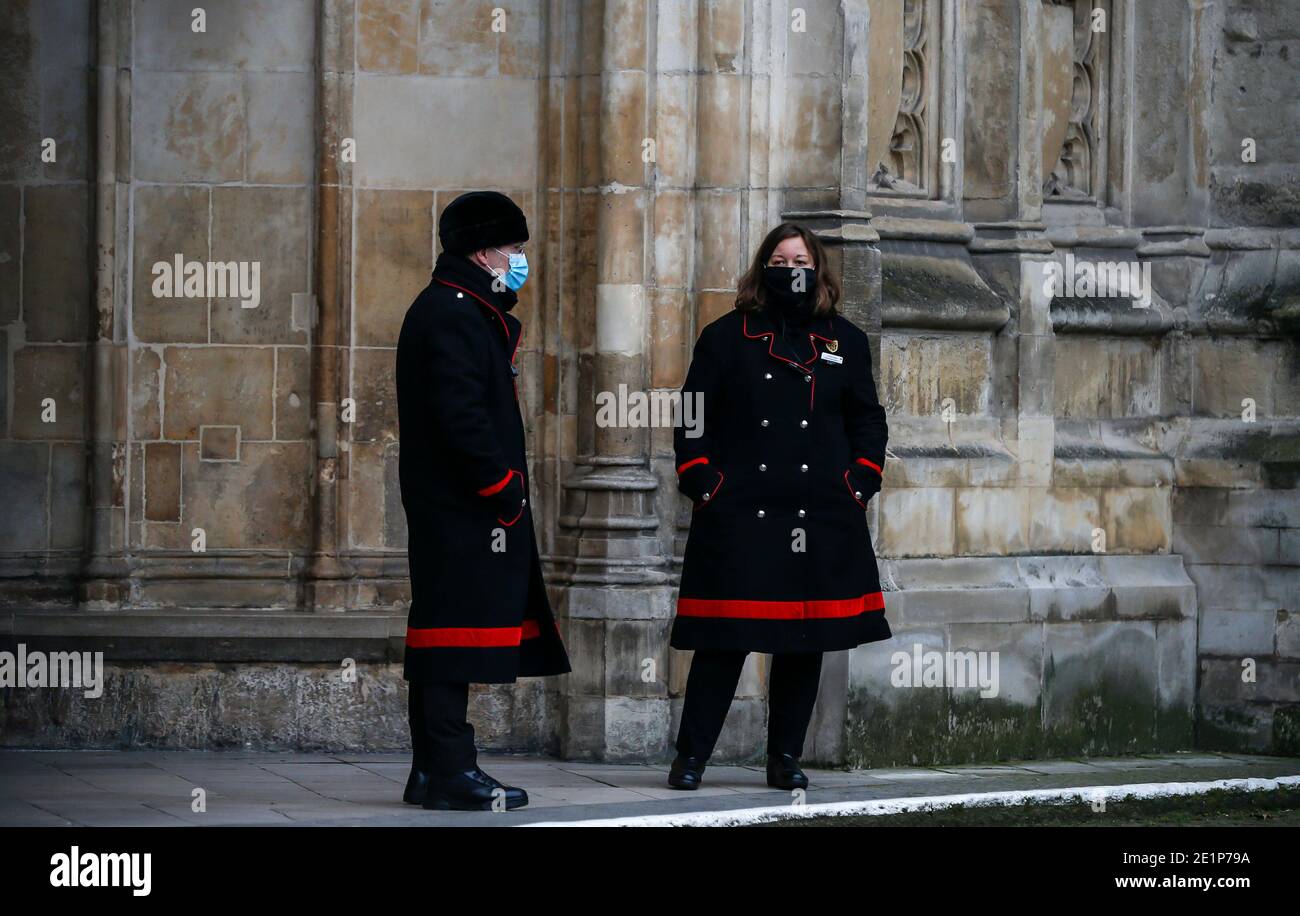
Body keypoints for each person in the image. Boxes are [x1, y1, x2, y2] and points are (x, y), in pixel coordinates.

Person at [668, 221, 892, 791]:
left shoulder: (848, 341)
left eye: (801, 259)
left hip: (818, 515)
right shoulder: (725, 337)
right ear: (763, 267)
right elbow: (693, 416)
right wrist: (703, 482)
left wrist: (860, 482)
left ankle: (785, 760)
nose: (791, 268)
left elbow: (868, 419)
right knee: (725, 641)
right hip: (741, 511)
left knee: (804, 642)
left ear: (817, 269)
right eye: (780, 258)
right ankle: (691, 758)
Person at [395, 191, 571, 811]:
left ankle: (430, 770)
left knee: (445, 631)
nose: (520, 259)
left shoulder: (465, 307)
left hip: (458, 503)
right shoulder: (452, 312)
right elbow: (459, 415)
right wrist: (502, 487)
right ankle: (451, 769)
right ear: (483, 250)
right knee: (451, 637)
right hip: (462, 505)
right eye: (514, 248)